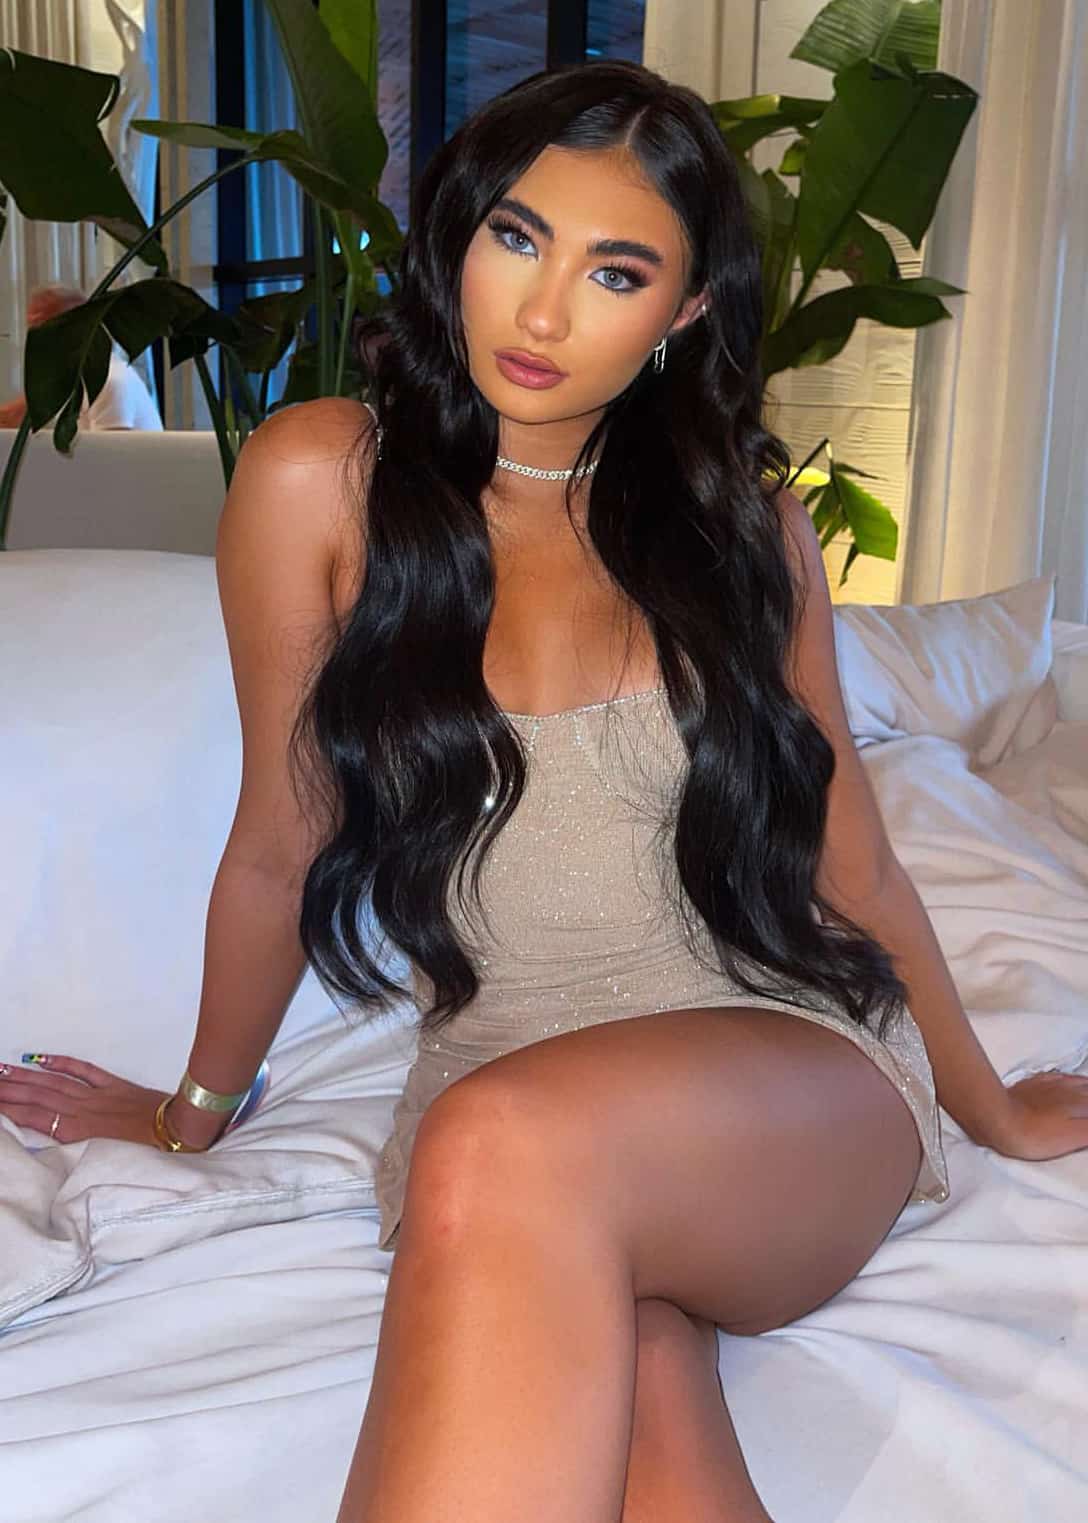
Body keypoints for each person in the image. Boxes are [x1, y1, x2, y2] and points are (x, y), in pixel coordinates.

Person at [1, 58, 1086, 1523]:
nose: (545, 310)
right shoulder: (324, 479)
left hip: (788, 1076)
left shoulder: (739, 522)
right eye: (518, 237)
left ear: (683, 314)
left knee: (507, 1147)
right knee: (635, 1362)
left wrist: (993, 1109)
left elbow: (855, 866)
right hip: (503, 1084)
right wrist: (191, 1111)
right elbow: (278, 844)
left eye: (617, 271)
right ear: (460, 234)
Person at [0, 283, 163, 431]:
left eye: (45, 327)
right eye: (33, 328)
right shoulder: (69, 379)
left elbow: (111, 452)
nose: (36, 341)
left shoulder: (108, 381)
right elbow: (12, 416)